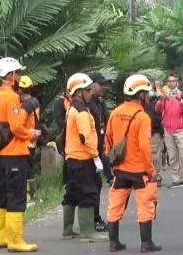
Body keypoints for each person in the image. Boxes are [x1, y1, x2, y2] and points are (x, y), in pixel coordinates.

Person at [105, 74, 161, 253]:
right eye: (146, 93)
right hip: (139, 171)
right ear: (141, 94)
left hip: (120, 169)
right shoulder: (142, 116)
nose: (148, 96)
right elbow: (145, 147)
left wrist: (112, 161)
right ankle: (146, 244)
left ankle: (114, 243)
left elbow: (108, 139)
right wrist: (150, 170)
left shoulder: (115, 112)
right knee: (145, 205)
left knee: (115, 205)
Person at [0, 57, 41, 252]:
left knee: (2, 194)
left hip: (1, 154)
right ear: (11, 75)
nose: (19, 76)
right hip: (14, 152)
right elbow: (16, 126)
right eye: (18, 73)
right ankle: (15, 240)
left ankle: (0, 237)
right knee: (16, 195)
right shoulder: (11, 97)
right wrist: (32, 133)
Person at [61, 73, 109, 243]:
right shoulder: (81, 111)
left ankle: (67, 230)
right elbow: (86, 137)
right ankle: (87, 231)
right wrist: (96, 157)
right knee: (88, 192)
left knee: (72, 193)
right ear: (79, 92)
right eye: (87, 90)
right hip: (83, 158)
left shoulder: (73, 107)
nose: (91, 93)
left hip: (73, 158)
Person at [155, 73, 183, 188]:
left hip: (180, 130)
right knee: (172, 156)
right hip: (168, 130)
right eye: (169, 81)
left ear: (177, 82)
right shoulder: (165, 97)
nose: (171, 83)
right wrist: (160, 100)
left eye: (173, 81)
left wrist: (180, 100)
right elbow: (158, 110)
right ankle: (177, 180)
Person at [88, 73, 112, 233]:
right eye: (100, 84)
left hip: (100, 149)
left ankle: (94, 219)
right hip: (88, 152)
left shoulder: (100, 102)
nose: (103, 87)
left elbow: (107, 122)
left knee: (96, 185)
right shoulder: (85, 104)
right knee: (91, 187)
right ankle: (92, 221)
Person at [17, 76, 40, 206]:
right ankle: (32, 196)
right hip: (33, 140)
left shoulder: (25, 106)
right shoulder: (35, 102)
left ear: (20, 90)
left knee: (25, 170)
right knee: (29, 169)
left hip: (26, 140)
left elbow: (18, 125)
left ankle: (29, 197)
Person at [146, 86, 164, 187]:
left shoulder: (155, 105)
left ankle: (157, 177)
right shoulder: (141, 105)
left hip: (154, 133)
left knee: (155, 155)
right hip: (145, 134)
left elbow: (159, 118)